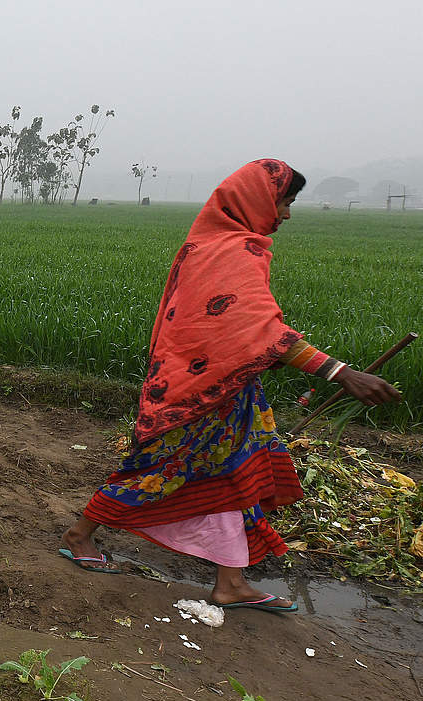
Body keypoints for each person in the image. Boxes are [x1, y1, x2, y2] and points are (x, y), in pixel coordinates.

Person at [60, 160, 400, 613]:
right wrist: (342, 373)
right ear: (259, 200)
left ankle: (231, 582)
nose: (287, 214)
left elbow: (241, 332)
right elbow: (261, 332)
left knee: (237, 475)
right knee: (161, 471)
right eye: (286, 201)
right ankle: (79, 534)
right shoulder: (232, 251)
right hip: (199, 393)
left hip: (227, 389)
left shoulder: (217, 245)